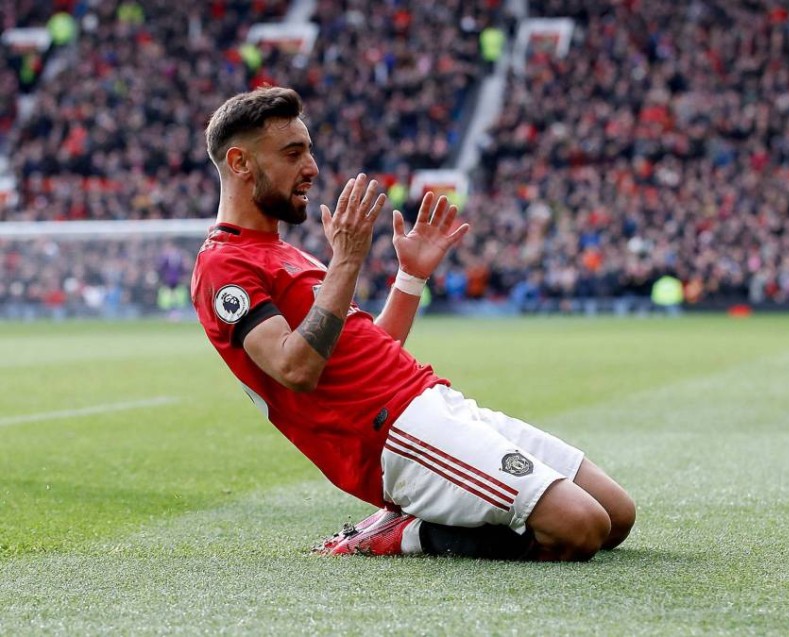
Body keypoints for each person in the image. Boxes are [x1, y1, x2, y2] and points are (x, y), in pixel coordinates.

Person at [191, 86, 635, 561]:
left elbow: (370, 347)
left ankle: (423, 515)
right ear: (240, 163)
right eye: (292, 153)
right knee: (580, 528)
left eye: (309, 151)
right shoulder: (224, 264)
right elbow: (295, 369)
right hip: (390, 436)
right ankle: (407, 533)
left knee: (616, 516)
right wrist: (347, 261)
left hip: (433, 401)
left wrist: (410, 277)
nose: (312, 168)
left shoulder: (287, 253)